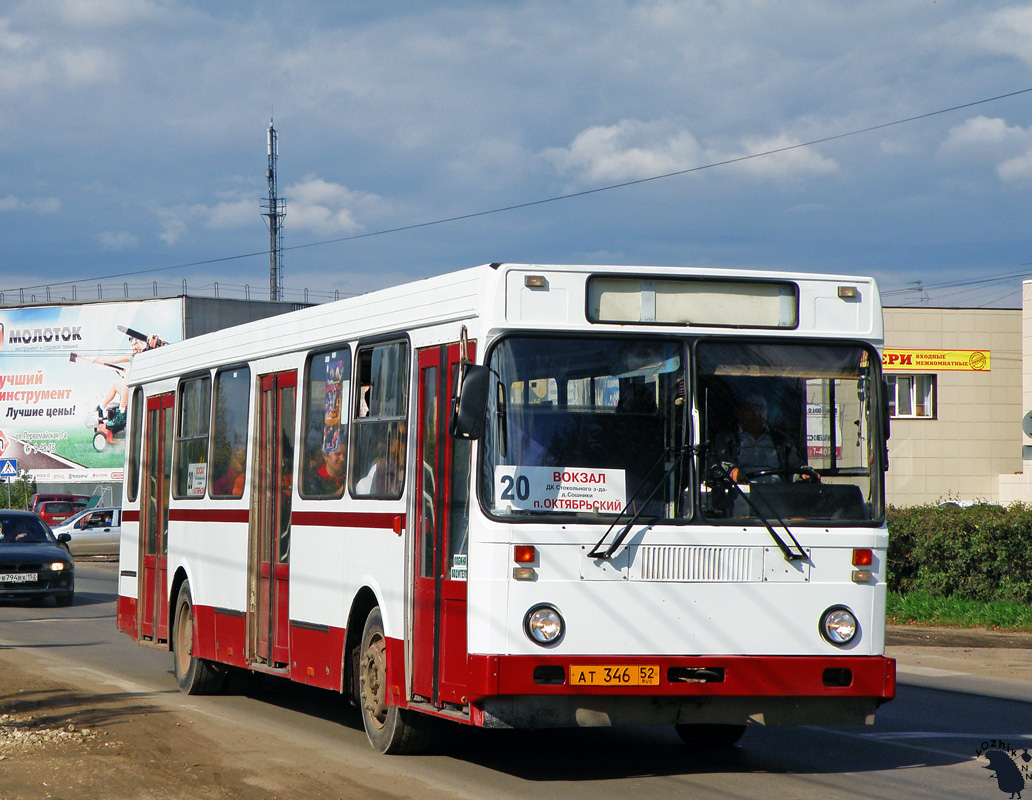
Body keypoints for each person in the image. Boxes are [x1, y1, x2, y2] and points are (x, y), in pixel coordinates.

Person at [709, 392, 808, 484]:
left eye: (760, 408)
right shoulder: (726, 440)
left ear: (767, 412)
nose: (755, 413)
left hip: (777, 495)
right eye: (749, 407)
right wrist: (733, 473)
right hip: (740, 495)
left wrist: (803, 474)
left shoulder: (781, 440)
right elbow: (716, 467)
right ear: (738, 412)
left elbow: (795, 468)